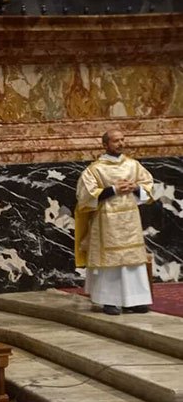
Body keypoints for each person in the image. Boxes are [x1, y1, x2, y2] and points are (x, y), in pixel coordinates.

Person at [75, 129, 154, 315]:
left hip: (130, 220)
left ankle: (135, 300)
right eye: (116, 141)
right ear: (105, 145)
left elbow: (148, 186)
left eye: (122, 139)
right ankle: (109, 300)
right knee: (110, 262)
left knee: (132, 261)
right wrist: (112, 190)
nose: (120, 143)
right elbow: (85, 196)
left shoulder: (133, 166)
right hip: (106, 221)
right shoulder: (95, 170)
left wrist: (136, 188)